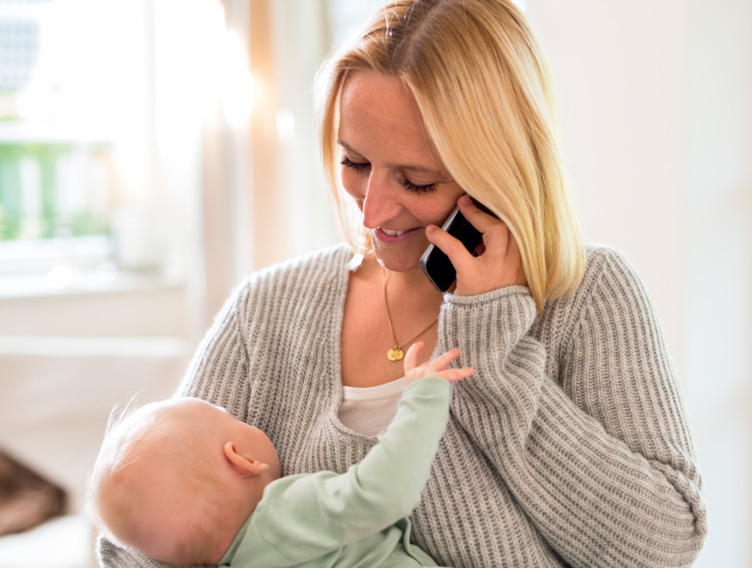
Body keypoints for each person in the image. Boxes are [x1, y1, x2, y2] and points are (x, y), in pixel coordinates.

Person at [97, 1, 707, 567]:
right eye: (355, 163)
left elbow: (662, 548)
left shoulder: (586, 296)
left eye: (415, 182)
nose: (372, 214)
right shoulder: (268, 311)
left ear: (500, 172)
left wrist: (491, 356)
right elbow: (135, 538)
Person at [89, 344, 472, 567]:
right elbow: (385, 493)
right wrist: (424, 396)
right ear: (241, 458)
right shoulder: (283, 515)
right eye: (231, 417)